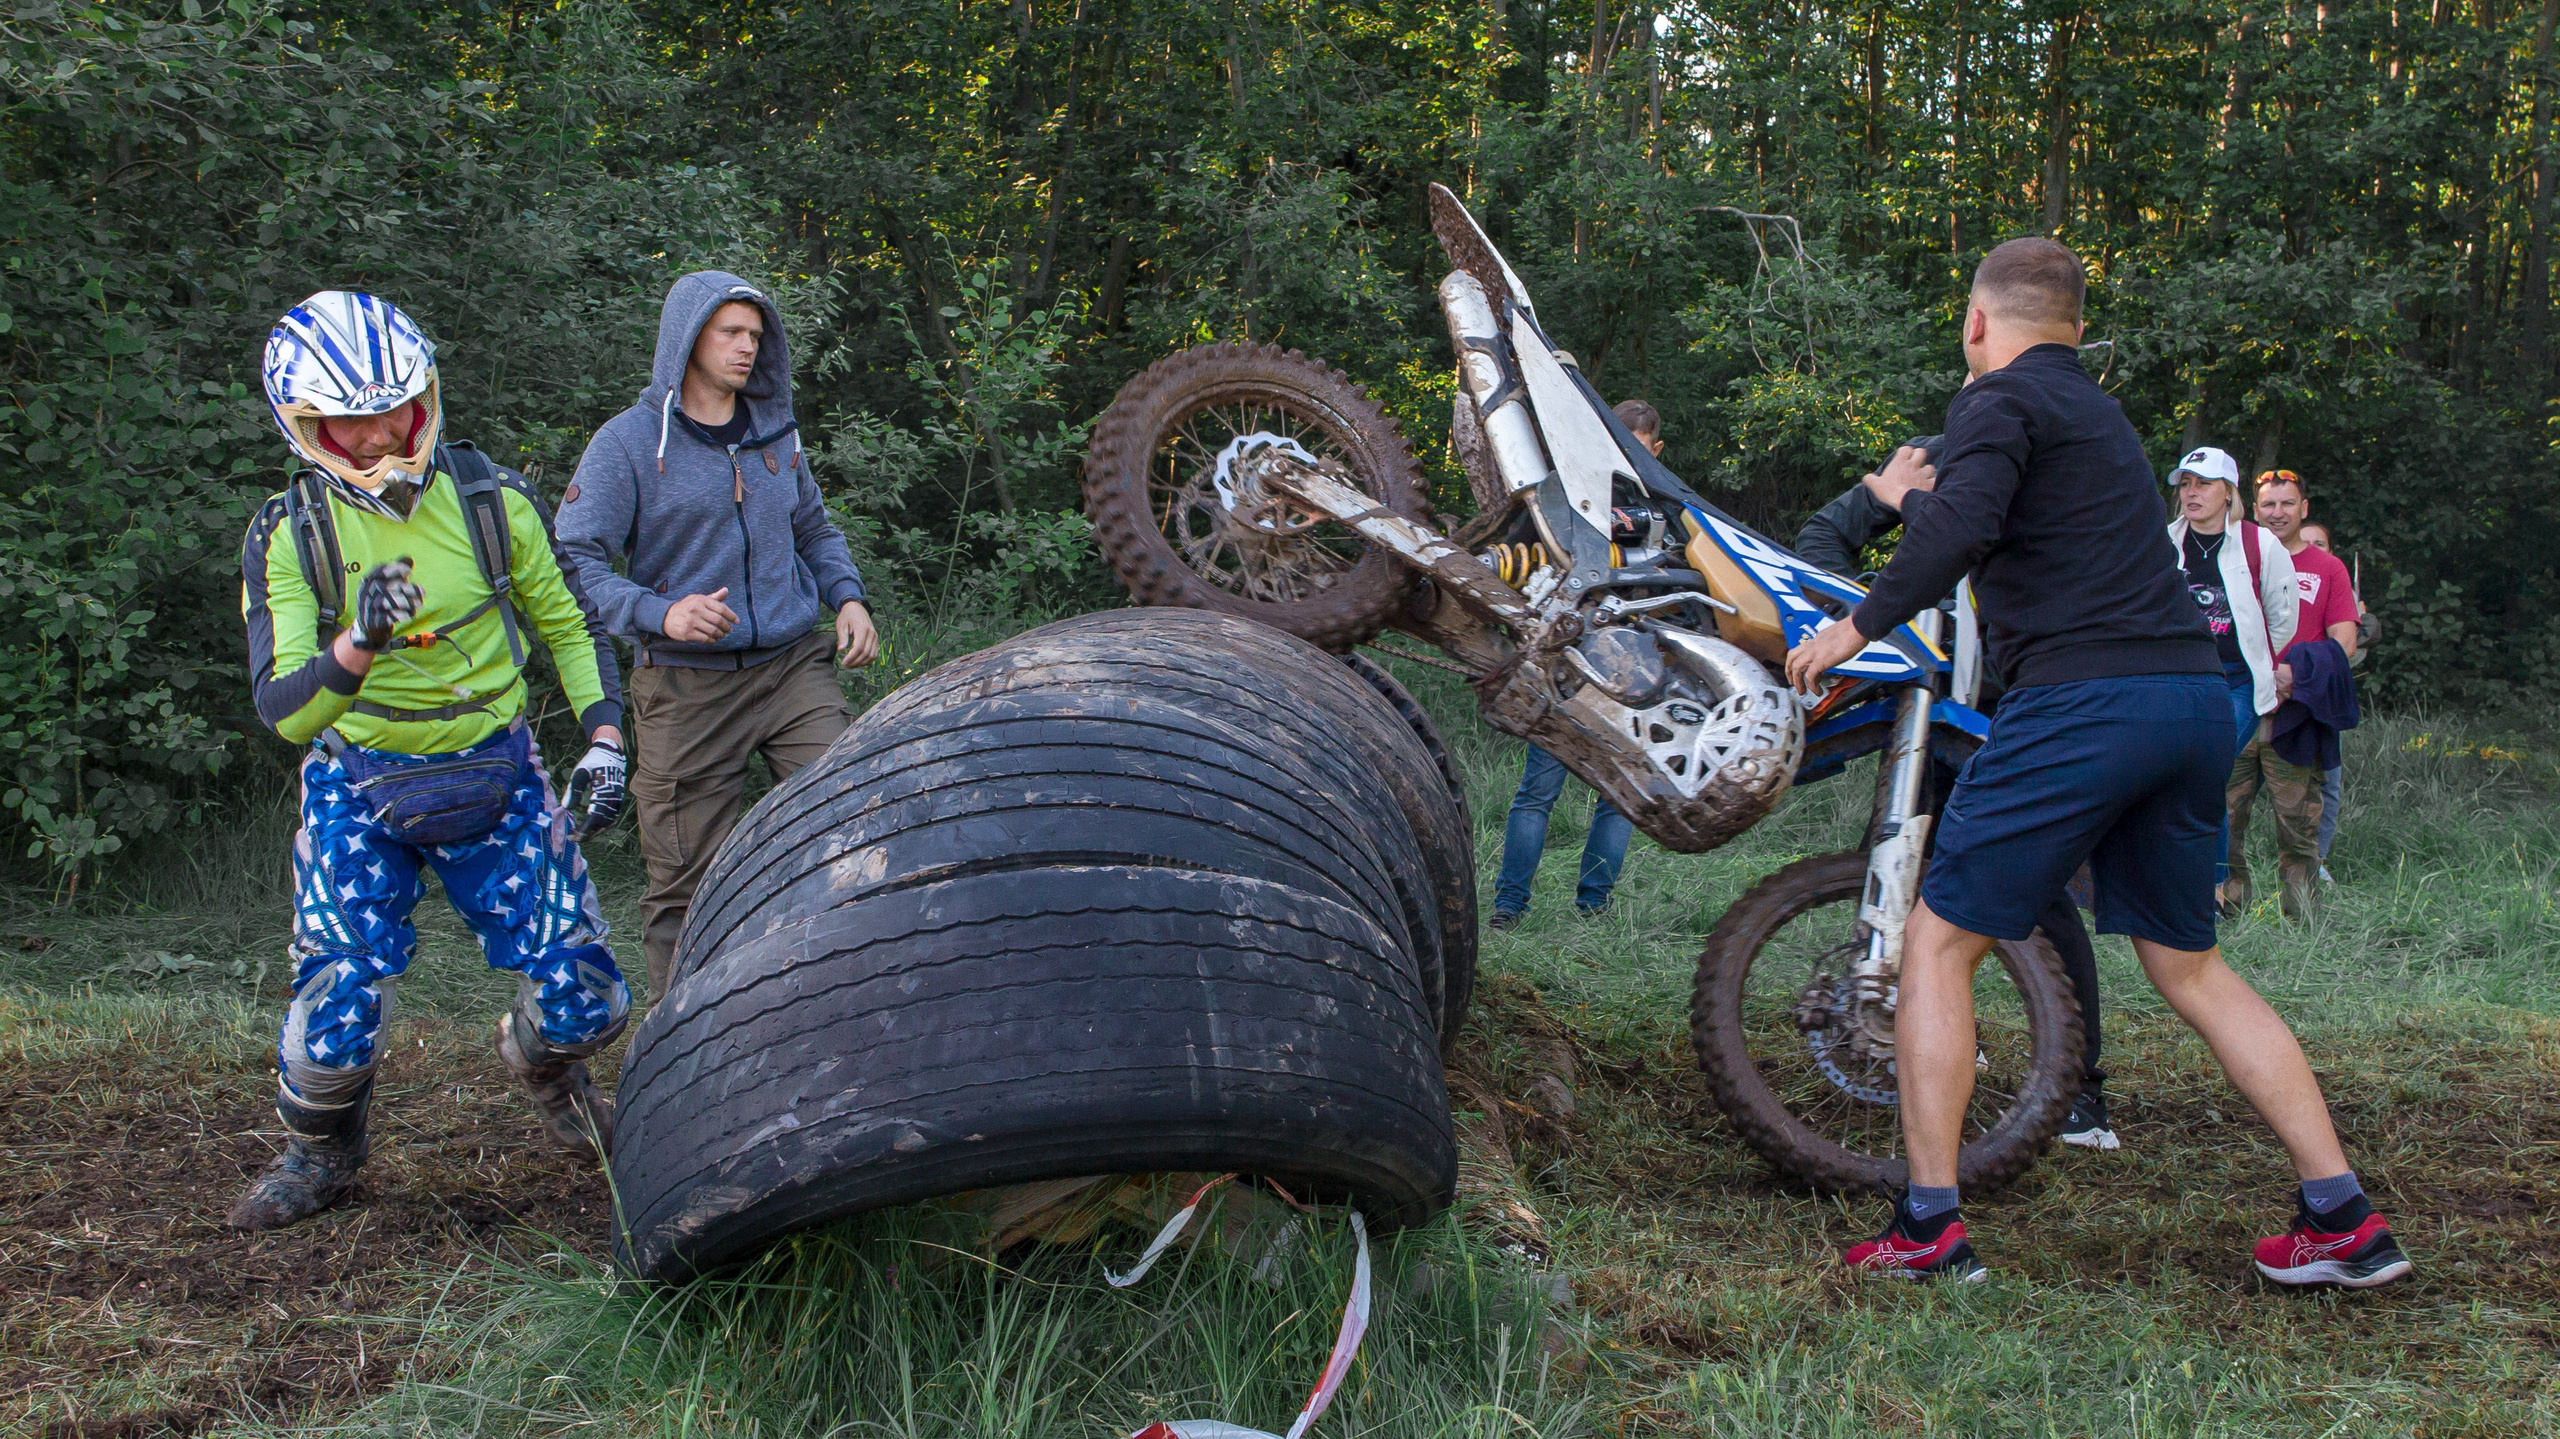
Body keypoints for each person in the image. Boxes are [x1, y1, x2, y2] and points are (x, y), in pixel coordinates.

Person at [1784, 237, 2410, 1287]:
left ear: (1977, 322)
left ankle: (1928, 1227)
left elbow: (1964, 529)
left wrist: (1855, 622)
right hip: (2190, 703)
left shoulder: (1995, 400)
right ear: (2076, 329)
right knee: (2190, 966)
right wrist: (1914, 509)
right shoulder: (2100, 415)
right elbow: (2001, 526)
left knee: (1937, 944)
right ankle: (2342, 1215)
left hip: (2083, 700)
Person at [231, 291, 634, 1231]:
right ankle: (322, 1153)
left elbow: (570, 623)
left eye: (397, 411)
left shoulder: (494, 500)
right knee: (334, 1016)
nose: (380, 437)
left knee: (592, 1002)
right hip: (359, 782)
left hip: (497, 769)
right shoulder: (290, 534)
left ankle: (548, 1067)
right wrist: (360, 640)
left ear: (426, 397)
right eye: (353, 423)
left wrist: (606, 739)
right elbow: (286, 711)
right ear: (307, 427)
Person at [558, 272, 879, 999]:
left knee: (851, 813)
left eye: (755, 335)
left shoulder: (775, 431)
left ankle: (838, 998)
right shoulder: (630, 443)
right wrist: (657, 612)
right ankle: (682, 1042)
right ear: (687, 337)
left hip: (792, 668)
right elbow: (573, 559)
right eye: (730, 332)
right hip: (685, 683)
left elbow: (812, 526)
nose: (746, 347)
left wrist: (848, 598)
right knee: (684, 881)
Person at [1795, 458, 2120, 1151]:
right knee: (1898, 884)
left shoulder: (2039, 474)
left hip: (2012, 716)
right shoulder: (1931, 457)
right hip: (1921, 723)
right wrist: (1865, 611)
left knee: (2039, 898)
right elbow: (1820, 538)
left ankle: (2080, 1090)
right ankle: (1932, 1046)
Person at [1487, 399, 1662, 929]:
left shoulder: (1576, 493)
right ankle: (1550, 908)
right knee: (1579, 793)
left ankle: (1548, 909)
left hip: (1592, 659)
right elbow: (1514, 561)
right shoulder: (1618, 500)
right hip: (1591, 659)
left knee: (1577, 795)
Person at [2166, 450, 2303, 917]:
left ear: (2228, 492)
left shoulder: (2259, 544)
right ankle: (2188, 882)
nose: (2192, 493)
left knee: (2207, 767)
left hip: (2238, 681)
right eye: (2185, 484)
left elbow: (2283, 617)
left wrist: (2259, 661)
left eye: (2203, 484)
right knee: (2183, 776)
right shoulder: (2165, 543)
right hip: (2180, 679)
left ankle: (2213, 887)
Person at [2282, 514, 2361, 881]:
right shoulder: (2264, 566)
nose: (2311, 549)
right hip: (2264, 686)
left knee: (2325, 780)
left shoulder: (2332, 574)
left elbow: (2349, 641)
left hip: (2316, 695)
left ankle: (2318, 861)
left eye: (2320, 544)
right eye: (2307, 541)